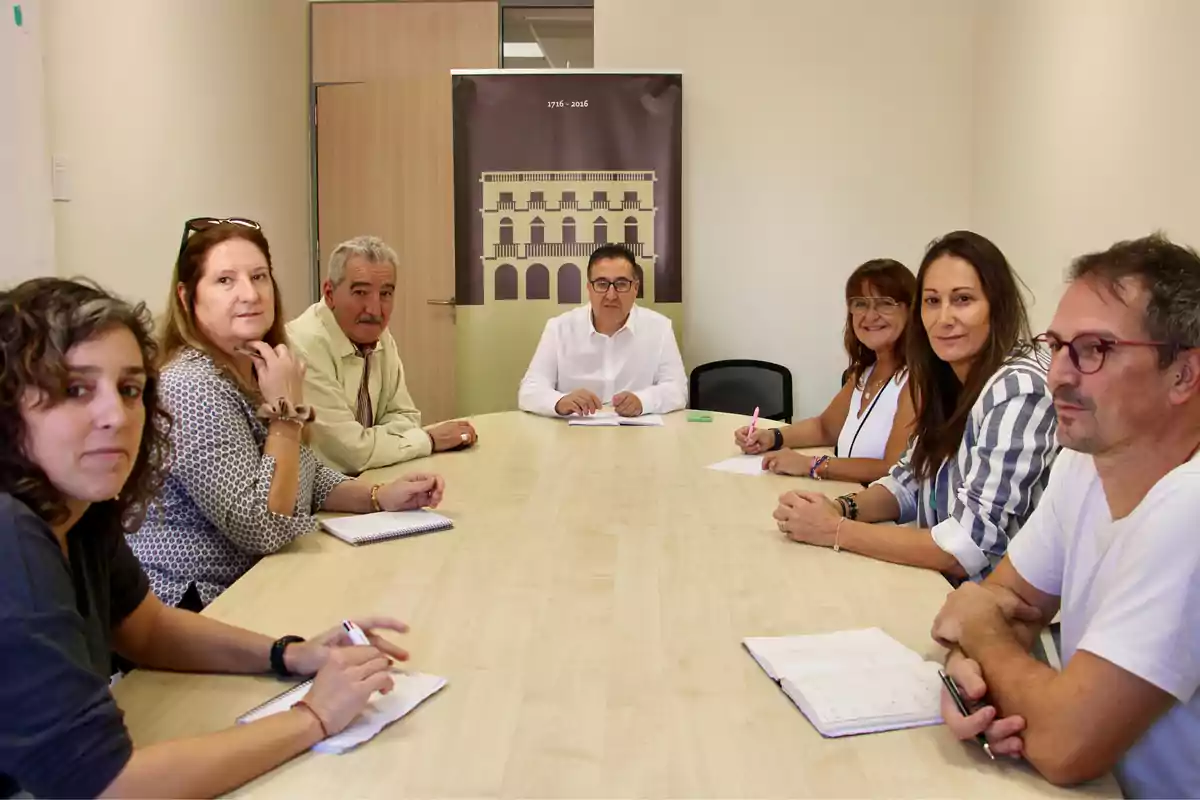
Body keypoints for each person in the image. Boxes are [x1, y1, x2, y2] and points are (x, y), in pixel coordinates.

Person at [0, 278, 411, 798]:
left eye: (129, 390)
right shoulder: (11, 540)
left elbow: (143, 628)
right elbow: (108, 788)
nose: (116, 417)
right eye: (75, 390)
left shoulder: (79, 505)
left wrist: (291, 654)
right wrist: (314, 716)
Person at [932, 234, 1200, 797]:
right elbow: (1007, 604)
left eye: (1094, 349)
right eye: (1056, 345)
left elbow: (1066, 745)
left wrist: (978, 633)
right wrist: (968, 681)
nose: (1058, 374)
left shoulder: (1190, 507)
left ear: (1184, 374)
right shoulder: (1085, 462)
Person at [128, 219, 446, 609]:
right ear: (186, 296)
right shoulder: (190, 385)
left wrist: (380, 496)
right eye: (225, 281)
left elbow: (307, 475)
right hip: (196, 604)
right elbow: (263, 526)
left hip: (254, 584)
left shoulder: (251, 365)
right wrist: (287, 418)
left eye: (259, 277)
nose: (249, 294)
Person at [772, 231, 1056, 582]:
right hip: (935, 585)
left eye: (963, 299)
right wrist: (838, 507)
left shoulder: (1018, 389)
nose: (944, 318)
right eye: (932, 301)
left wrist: (835, 529)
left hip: (990, 607)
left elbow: (967, 548)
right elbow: (906, 482)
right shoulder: (946, 375)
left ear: (997, 306)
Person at [287, 235, 477, 476]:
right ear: (329, 293)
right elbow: (350, 454)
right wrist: (427, 440)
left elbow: (406, 416)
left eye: (386, 294)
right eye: (360, 292)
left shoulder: (378, 333)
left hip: (372, 477)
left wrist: (373, 443)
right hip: (315, 496)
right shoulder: (304, 345)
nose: (375, 310)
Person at [734, 259, 917, 484]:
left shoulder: (916, 380)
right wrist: (771, 437)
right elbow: (824, 428)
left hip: (883, 514)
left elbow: (891, 468)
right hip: (848, 497)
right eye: (860, 304)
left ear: (911, 310)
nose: (870, 316)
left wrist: (811, 464)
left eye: (885, 303)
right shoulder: (865, 373)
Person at [518, 244, 687, 418]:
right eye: (602, 284)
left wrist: (643, 401)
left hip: (637, 435)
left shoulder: (659, 328)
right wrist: (560, 401)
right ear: (589, 288)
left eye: (621, 284)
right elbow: (530, 390)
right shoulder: (559, 328)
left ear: (635, 288)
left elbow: (677, 390)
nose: (611, 295)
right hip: (573, 437)